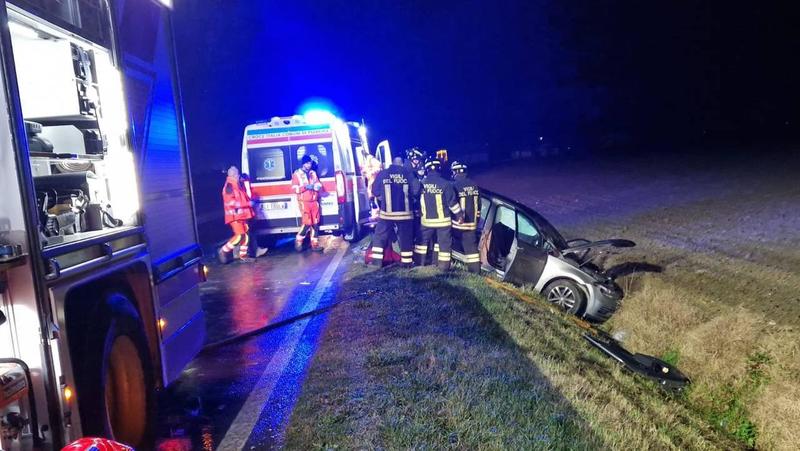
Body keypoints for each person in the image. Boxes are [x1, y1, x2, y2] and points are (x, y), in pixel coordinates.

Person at [369, 156, 419, 267]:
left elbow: (374, 190)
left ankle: (376, 263)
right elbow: (416, 190)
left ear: (392, 163)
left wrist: (381, 197)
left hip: (387, 214)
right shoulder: (407, 173)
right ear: (401, 164)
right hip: (405, 214)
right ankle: (406, 264)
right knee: (406, 238)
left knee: (380, 237)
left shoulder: (383, 173)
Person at [414, 158, 463, 270]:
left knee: (421, 244)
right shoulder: (445, 184)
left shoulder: (422, 184)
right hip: (443, 222)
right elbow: (452, 203)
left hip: (426, 222)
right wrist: (459, 215)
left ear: (426, 169)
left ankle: (419, 265)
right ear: (439, 168)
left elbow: (416, 198)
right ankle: (443, 267)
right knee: (444, 245)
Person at [219, 166, 263, 263]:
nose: (239, 176)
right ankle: (223, 250)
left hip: (241, 215)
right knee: (239, 236)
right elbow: (231, 203)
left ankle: (243, 255)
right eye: (238, 174)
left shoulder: (236, 185)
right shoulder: (229, 186)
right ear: (234, 175)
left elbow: (244, 197)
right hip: (235, 216)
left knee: (245, 235)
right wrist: (247, 204)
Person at [450, 161, 481, 273]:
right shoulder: (474, 185)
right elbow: (479, 206)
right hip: (471, 224)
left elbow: (451, 203)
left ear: (455, 172)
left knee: (446, 243)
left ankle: (450, 266)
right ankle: (475, 272)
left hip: (458, 224)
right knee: (472, 250)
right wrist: (476, 220)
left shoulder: (454, 185)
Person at [292, 154, 323, 252]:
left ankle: (315, 244)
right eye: (307, 163)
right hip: (304, 202)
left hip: (314, 201)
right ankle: (298, 240)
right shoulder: (296, 174)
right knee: (307, 223)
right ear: (303, 164)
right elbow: (294, 188)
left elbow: (318, 183)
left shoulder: (313, 173)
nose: (309, 165)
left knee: (315, 223)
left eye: (310, 163)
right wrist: (305, 187)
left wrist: (317, 186)